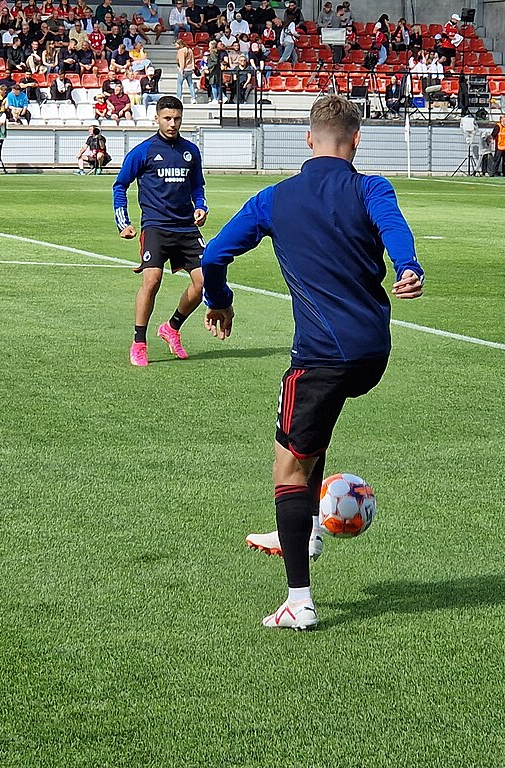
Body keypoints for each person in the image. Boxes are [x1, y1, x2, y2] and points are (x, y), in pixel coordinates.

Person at [201, 95, 424, 631]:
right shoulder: (373, 187)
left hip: (321, 357)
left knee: (288, 469)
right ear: (357, 141)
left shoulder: (275, 198)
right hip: (373, 352)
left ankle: (298, 600)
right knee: (311, 439)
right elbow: (394, 228)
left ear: (308, 139)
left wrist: (219, 300)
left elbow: (213, 256)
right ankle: (304, 530)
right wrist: (408, 266)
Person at [112, 95, 208, 368]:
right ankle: (139, 342)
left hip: (186, 228)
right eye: (167, 118)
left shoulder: (190, 151)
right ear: (157, 118)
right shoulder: (143, 151)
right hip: (155, 226)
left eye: (177, 118)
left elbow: (197, 187)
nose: (172, 123)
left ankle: (171, 327)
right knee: (152, 280)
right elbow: (120, 186)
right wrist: (123, 222)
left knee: (204, 282)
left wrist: (200, 206)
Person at [175, 38, 196, 103]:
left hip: (184, 69)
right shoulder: (189, 49)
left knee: (179, 83)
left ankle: (179, 97)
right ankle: (193, 98)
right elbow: (192, 59)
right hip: (190, 69)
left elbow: (182, 61)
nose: (175, 46)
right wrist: (193, 68)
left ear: (180, 44)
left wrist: (181, 69)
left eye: (176, 45)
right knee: (190, 84)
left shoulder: (181, 51)